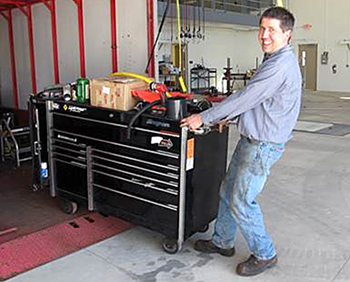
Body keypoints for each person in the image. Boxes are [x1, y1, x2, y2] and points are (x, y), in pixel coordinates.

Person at [180, 6, 302, 277]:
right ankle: (222, 241)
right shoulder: (272, 60)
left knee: (241, 200)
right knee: (226, 192)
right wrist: (230, 118)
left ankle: (265, 253)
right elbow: (259, 103)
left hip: (262, 145)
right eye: (262, 28)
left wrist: (205, 117)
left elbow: (246, 98)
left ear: (288, 34)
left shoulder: (279, 66)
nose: (264, 35)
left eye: (272, 30)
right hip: (251, 139)